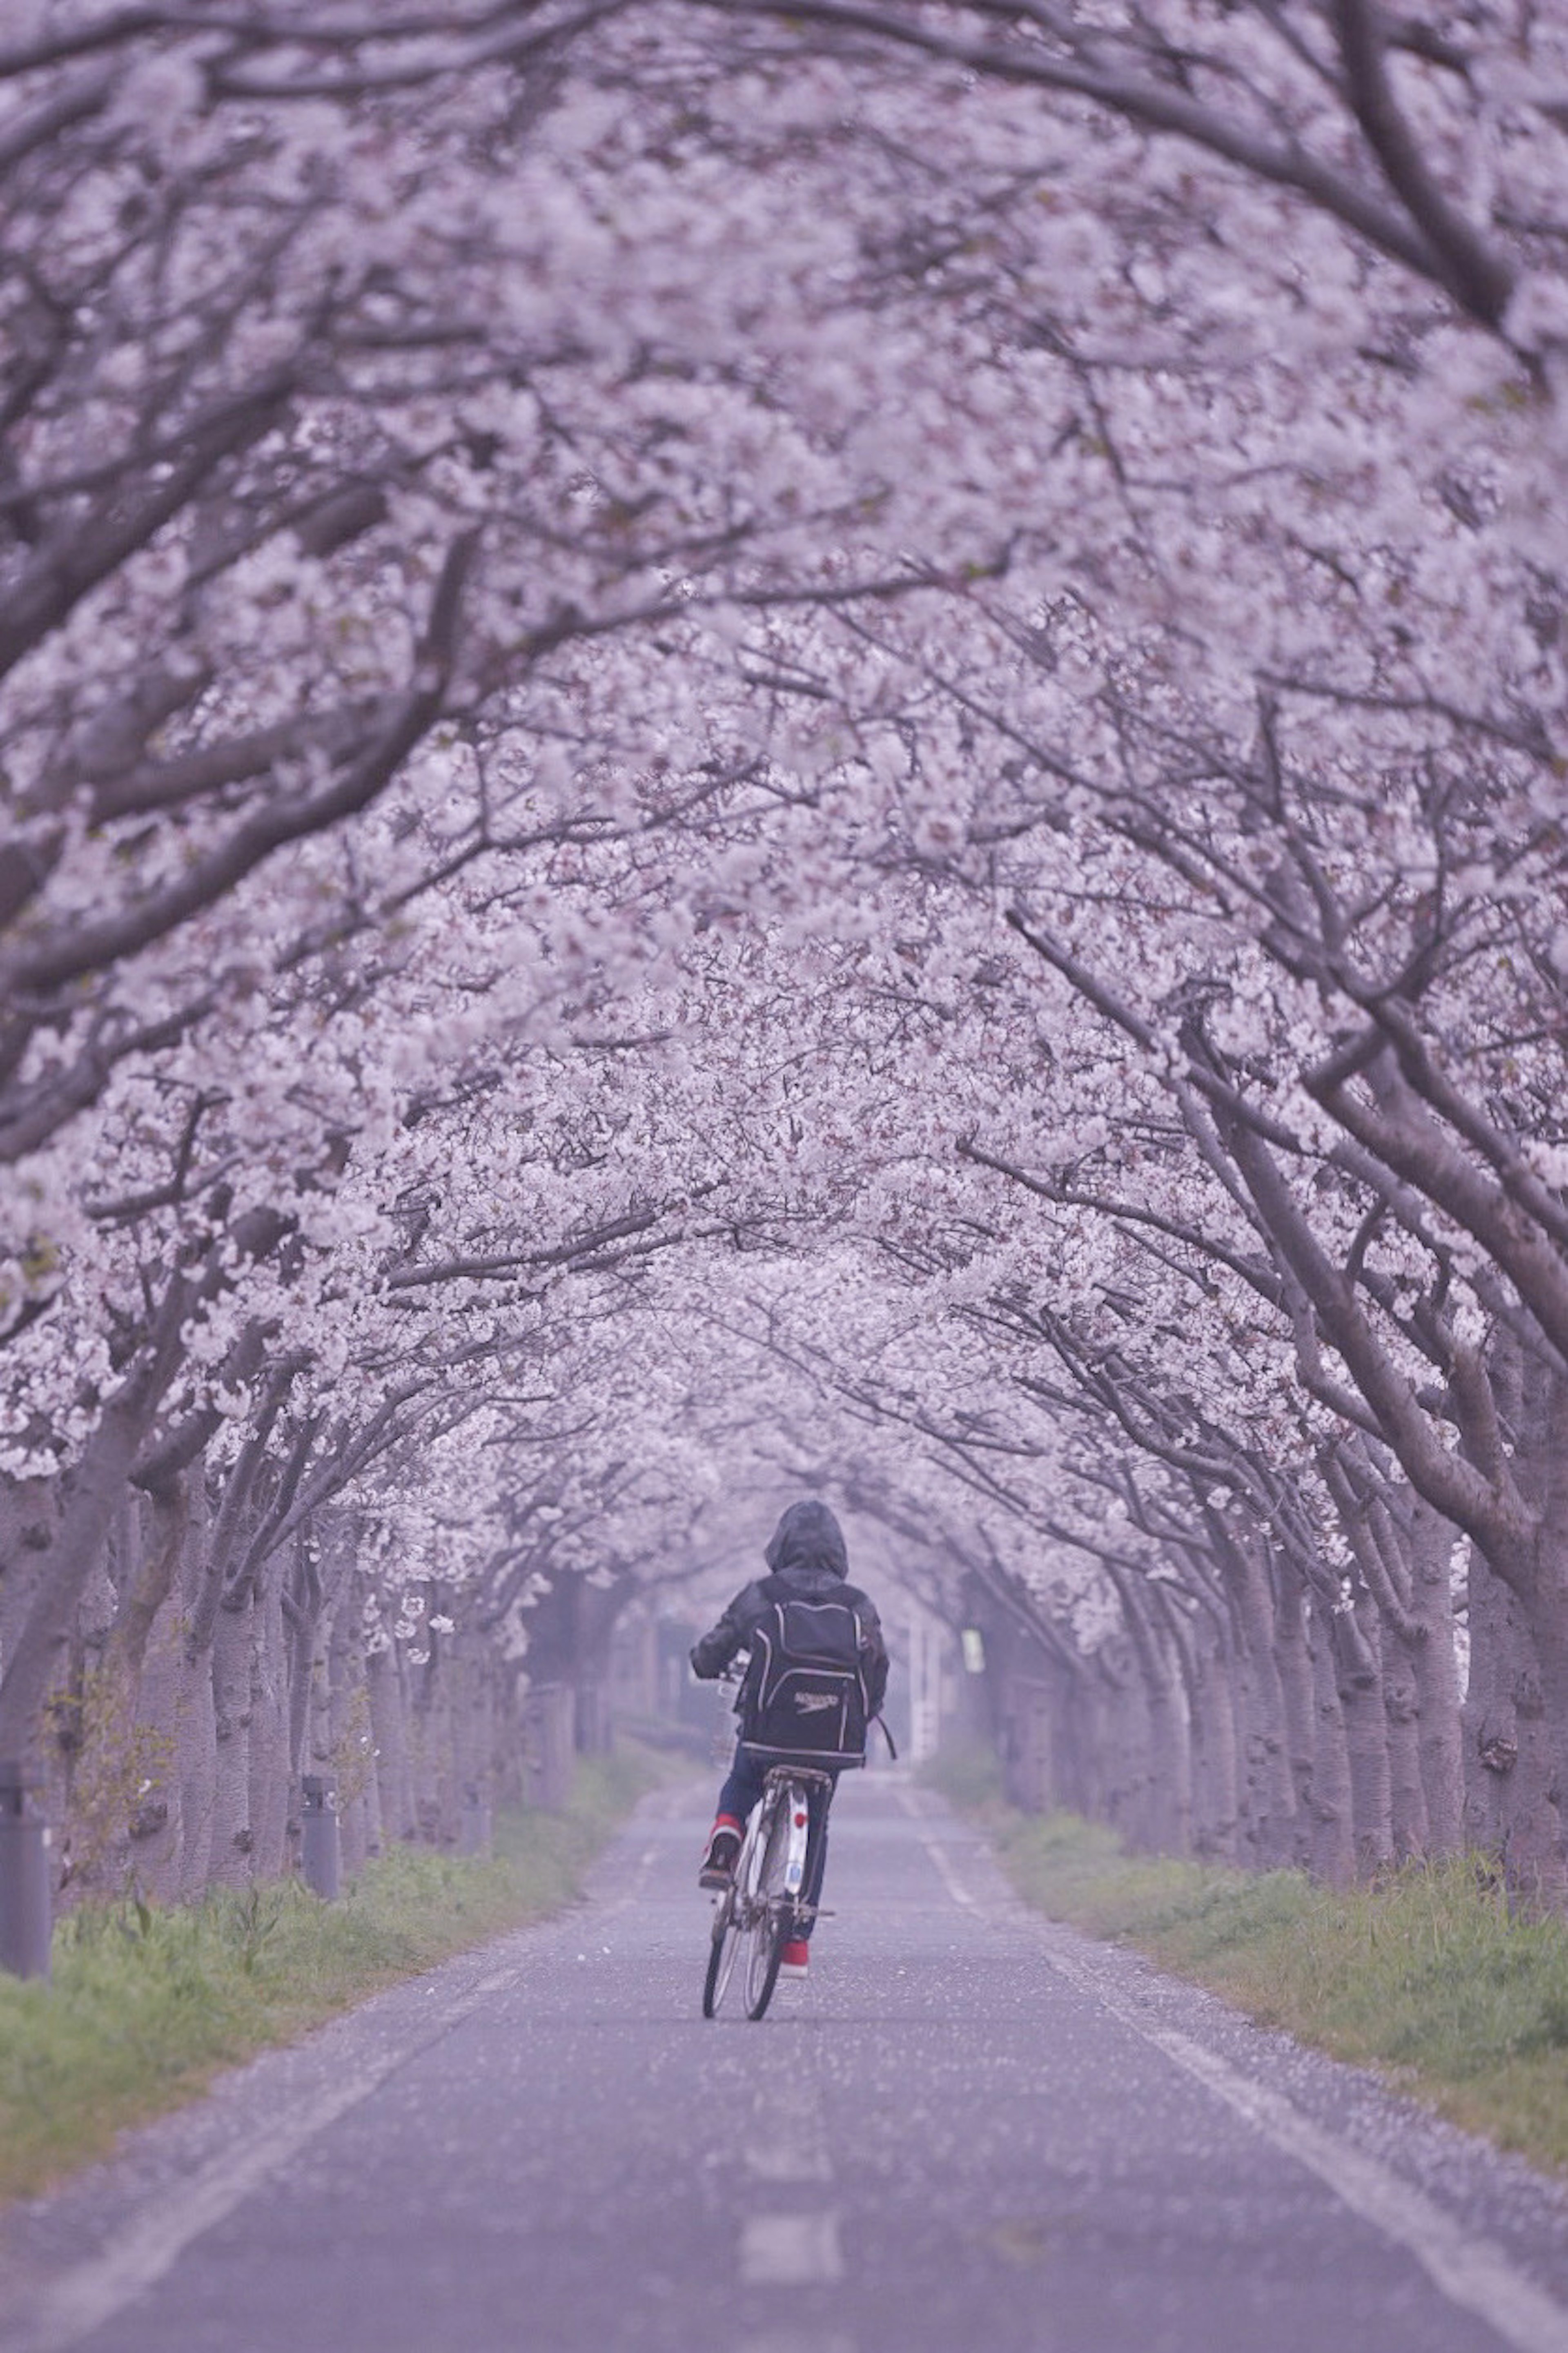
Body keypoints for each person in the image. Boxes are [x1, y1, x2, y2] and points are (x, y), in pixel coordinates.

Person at [689, 1498, 888, 1980]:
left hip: (768, 1736)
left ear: (779, 1545)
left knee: (743, 1777)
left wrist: (708, 1662)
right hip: (831, 1744)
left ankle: (726, 1838)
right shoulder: (857, 1603)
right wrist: (868, 1711)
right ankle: (795, 1944)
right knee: (816, 1825)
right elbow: (877, 1668)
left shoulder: (762, 1594)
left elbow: (711, 1652)